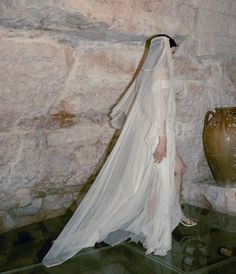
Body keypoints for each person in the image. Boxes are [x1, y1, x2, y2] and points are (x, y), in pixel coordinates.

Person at [42, 34, 197, 268]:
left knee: (178, 169)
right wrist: (162, 140)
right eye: (171, 54)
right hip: (158, 136)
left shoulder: (149, 75)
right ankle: (155, 229)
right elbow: (160, 113)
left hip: (154, 134)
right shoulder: (162, 75)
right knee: (158, 183)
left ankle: (174, 213)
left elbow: (147, 110)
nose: (171, 59)